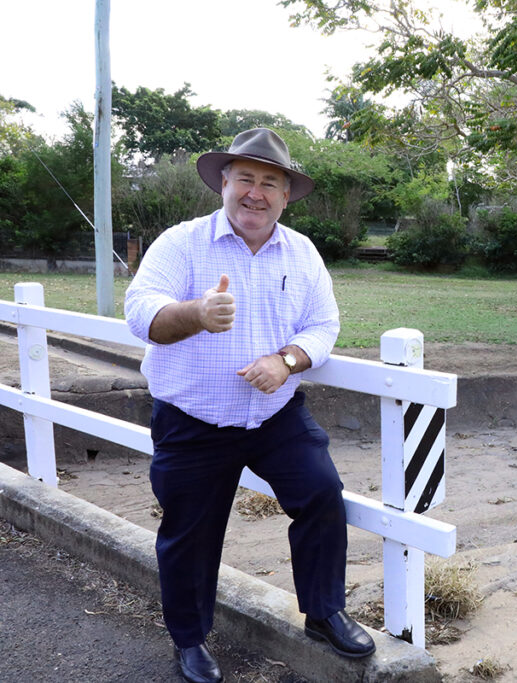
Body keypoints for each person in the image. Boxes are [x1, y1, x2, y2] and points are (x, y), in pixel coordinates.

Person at [125, 128, 374, 683]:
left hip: (274, 416)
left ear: (286, 196)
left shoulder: (302, 252)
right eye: (244, 179)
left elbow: (324, 325)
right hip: (192, 419)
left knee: (321, 495)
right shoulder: (181, 243)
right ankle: (189, 641)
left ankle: (323, 610)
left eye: (269, 183)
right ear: (223, 184)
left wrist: (286, 361)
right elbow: (142, 312)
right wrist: (197, 313)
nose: (255, 193)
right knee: (190, 532)